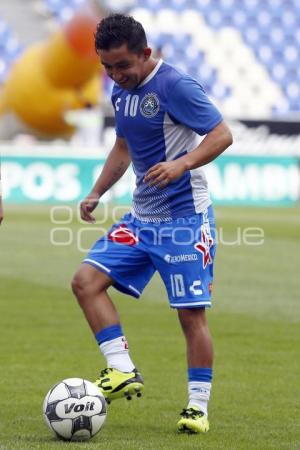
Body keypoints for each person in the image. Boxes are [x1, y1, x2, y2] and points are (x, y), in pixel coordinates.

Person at [72, 13, 232, 434]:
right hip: (141, 217)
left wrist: (182, 163)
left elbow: (221, 134)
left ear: (145, 53)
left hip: (184, 220)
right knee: (85, 281)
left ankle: (197, 408)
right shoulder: (120, 92)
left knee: (190, 317)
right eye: (106, 67)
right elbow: (123, 147)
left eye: (122, 66)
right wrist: (97, 191)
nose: (115, 75)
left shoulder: (175, 86)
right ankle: (121, 367)